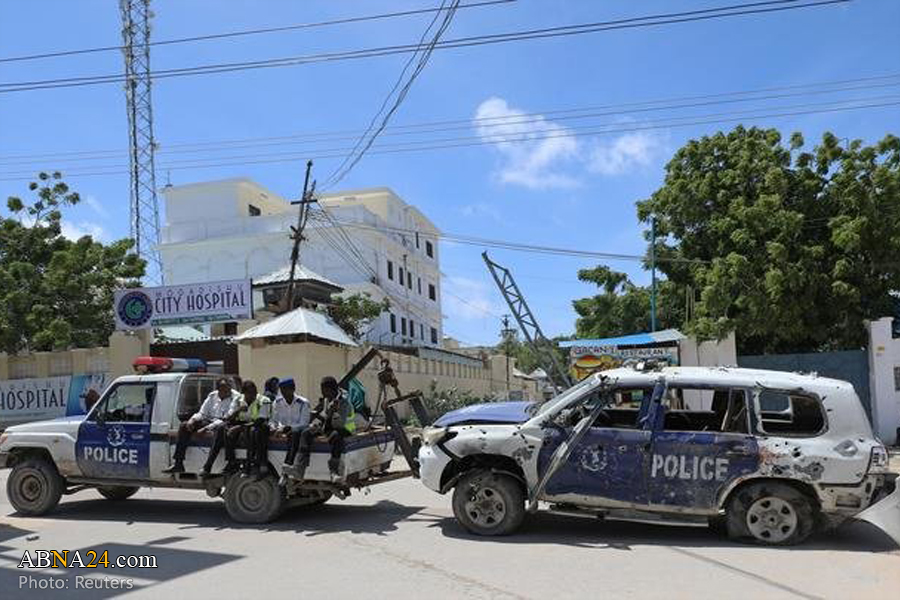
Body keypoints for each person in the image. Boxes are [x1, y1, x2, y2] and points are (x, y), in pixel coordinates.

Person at [162, 377, 243, 475]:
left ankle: (209, 466)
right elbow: (202, 413)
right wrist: (192, 420)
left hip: (225, 423)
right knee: (184, 426)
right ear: (218, 389)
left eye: (228, 388)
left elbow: (226, 418)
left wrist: (206, 428)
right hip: (210, 421)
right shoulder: (212, 396)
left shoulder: (236, 397)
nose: (227, 391)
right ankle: (178, 463)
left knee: (220, 429)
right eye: (224, 389)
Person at [290, 376, 356, 481]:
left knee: (335, 436)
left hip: (345, 430)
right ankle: (300, 468)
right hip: (330, 427)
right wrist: (318, 418)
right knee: (306, 433)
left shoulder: (343, 402)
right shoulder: (327, 399)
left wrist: (332, 412)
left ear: (331, 390)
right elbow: (327, 419)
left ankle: (334, 471)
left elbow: (338, 424)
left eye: (323, 390)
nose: (322, 393)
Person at [272, 378, 311, 470]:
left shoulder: (303, 403)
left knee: (294, 433)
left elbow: (304, 423)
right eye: (282, 390)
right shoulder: (277, 403)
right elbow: (273, 420)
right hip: (281, 434)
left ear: (293, 389)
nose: (284, 393)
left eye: (286, 389)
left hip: (296, 434)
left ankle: (289, 463)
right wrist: (274, 427)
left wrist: (287, 428)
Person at [237, 380, 274, 476]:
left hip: (263, 425)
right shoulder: (239, 400)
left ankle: (258, 463)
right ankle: (244, 463)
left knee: (255, 431)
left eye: (254, 392)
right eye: (249, 393)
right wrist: (238, 410)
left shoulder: (264, 400)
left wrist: (242, 427)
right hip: (248, 426)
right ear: (244, 393)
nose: (253, 395)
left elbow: (261, 419)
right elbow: (230, 417)